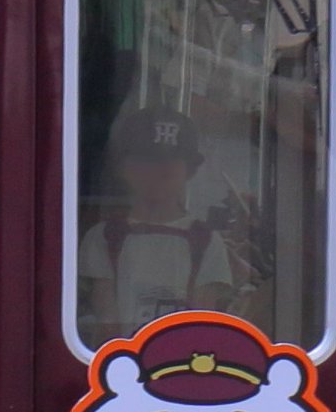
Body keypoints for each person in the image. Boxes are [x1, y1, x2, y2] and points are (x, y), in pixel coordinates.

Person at [78, 105, 235, 337]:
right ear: (122, 167)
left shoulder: (206, 241)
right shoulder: (104, 237)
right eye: (145, 159)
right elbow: (107, 322)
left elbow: (202, 322)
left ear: (190, 170)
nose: (158, 170)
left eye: (170, 161)